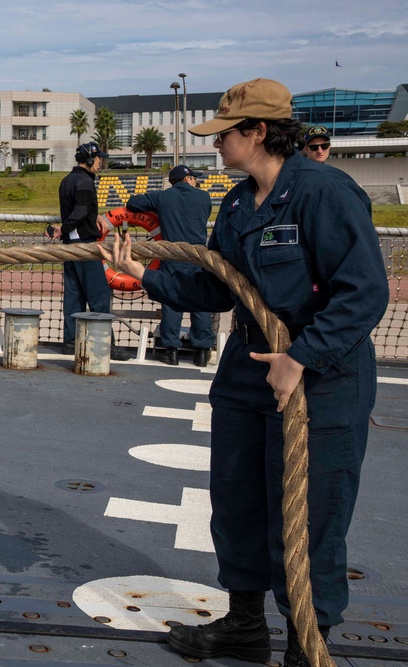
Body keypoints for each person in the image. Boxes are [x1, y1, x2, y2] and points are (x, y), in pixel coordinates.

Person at [105, 78, 388, 667]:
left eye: (224, 134)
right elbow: (218, 287)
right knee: (236, 502)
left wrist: (300, 358)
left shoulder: (325, 193)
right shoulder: (236, 203)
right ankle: (243, 625)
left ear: (258, 132)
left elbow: (363, 295)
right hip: (248, 371)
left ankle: (306, 643)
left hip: (321, 378)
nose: (215, 145)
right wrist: (142, 273)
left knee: (309, 516)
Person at [48, 142, 132, 361]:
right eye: (98, 159)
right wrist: (63, 228)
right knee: (99, 296)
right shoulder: (86, 182)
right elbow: (79, 211)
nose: (100, 163)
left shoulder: (67, 180)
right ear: (89, 160)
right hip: (84, 246)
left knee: (74, 296)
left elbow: (80, 210)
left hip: (70, 246)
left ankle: (70, 341)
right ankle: (105, 343)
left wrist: (88, 218)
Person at [126, 164, 214, 366]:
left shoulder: (162, 197)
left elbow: (133, 203)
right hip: (198, 256)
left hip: (171, 254)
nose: (196, 181)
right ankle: (201, 351)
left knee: (172, 300)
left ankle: (171, 350)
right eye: (194, 178)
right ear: (187, 179)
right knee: (201, 301)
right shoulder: (204, 197)